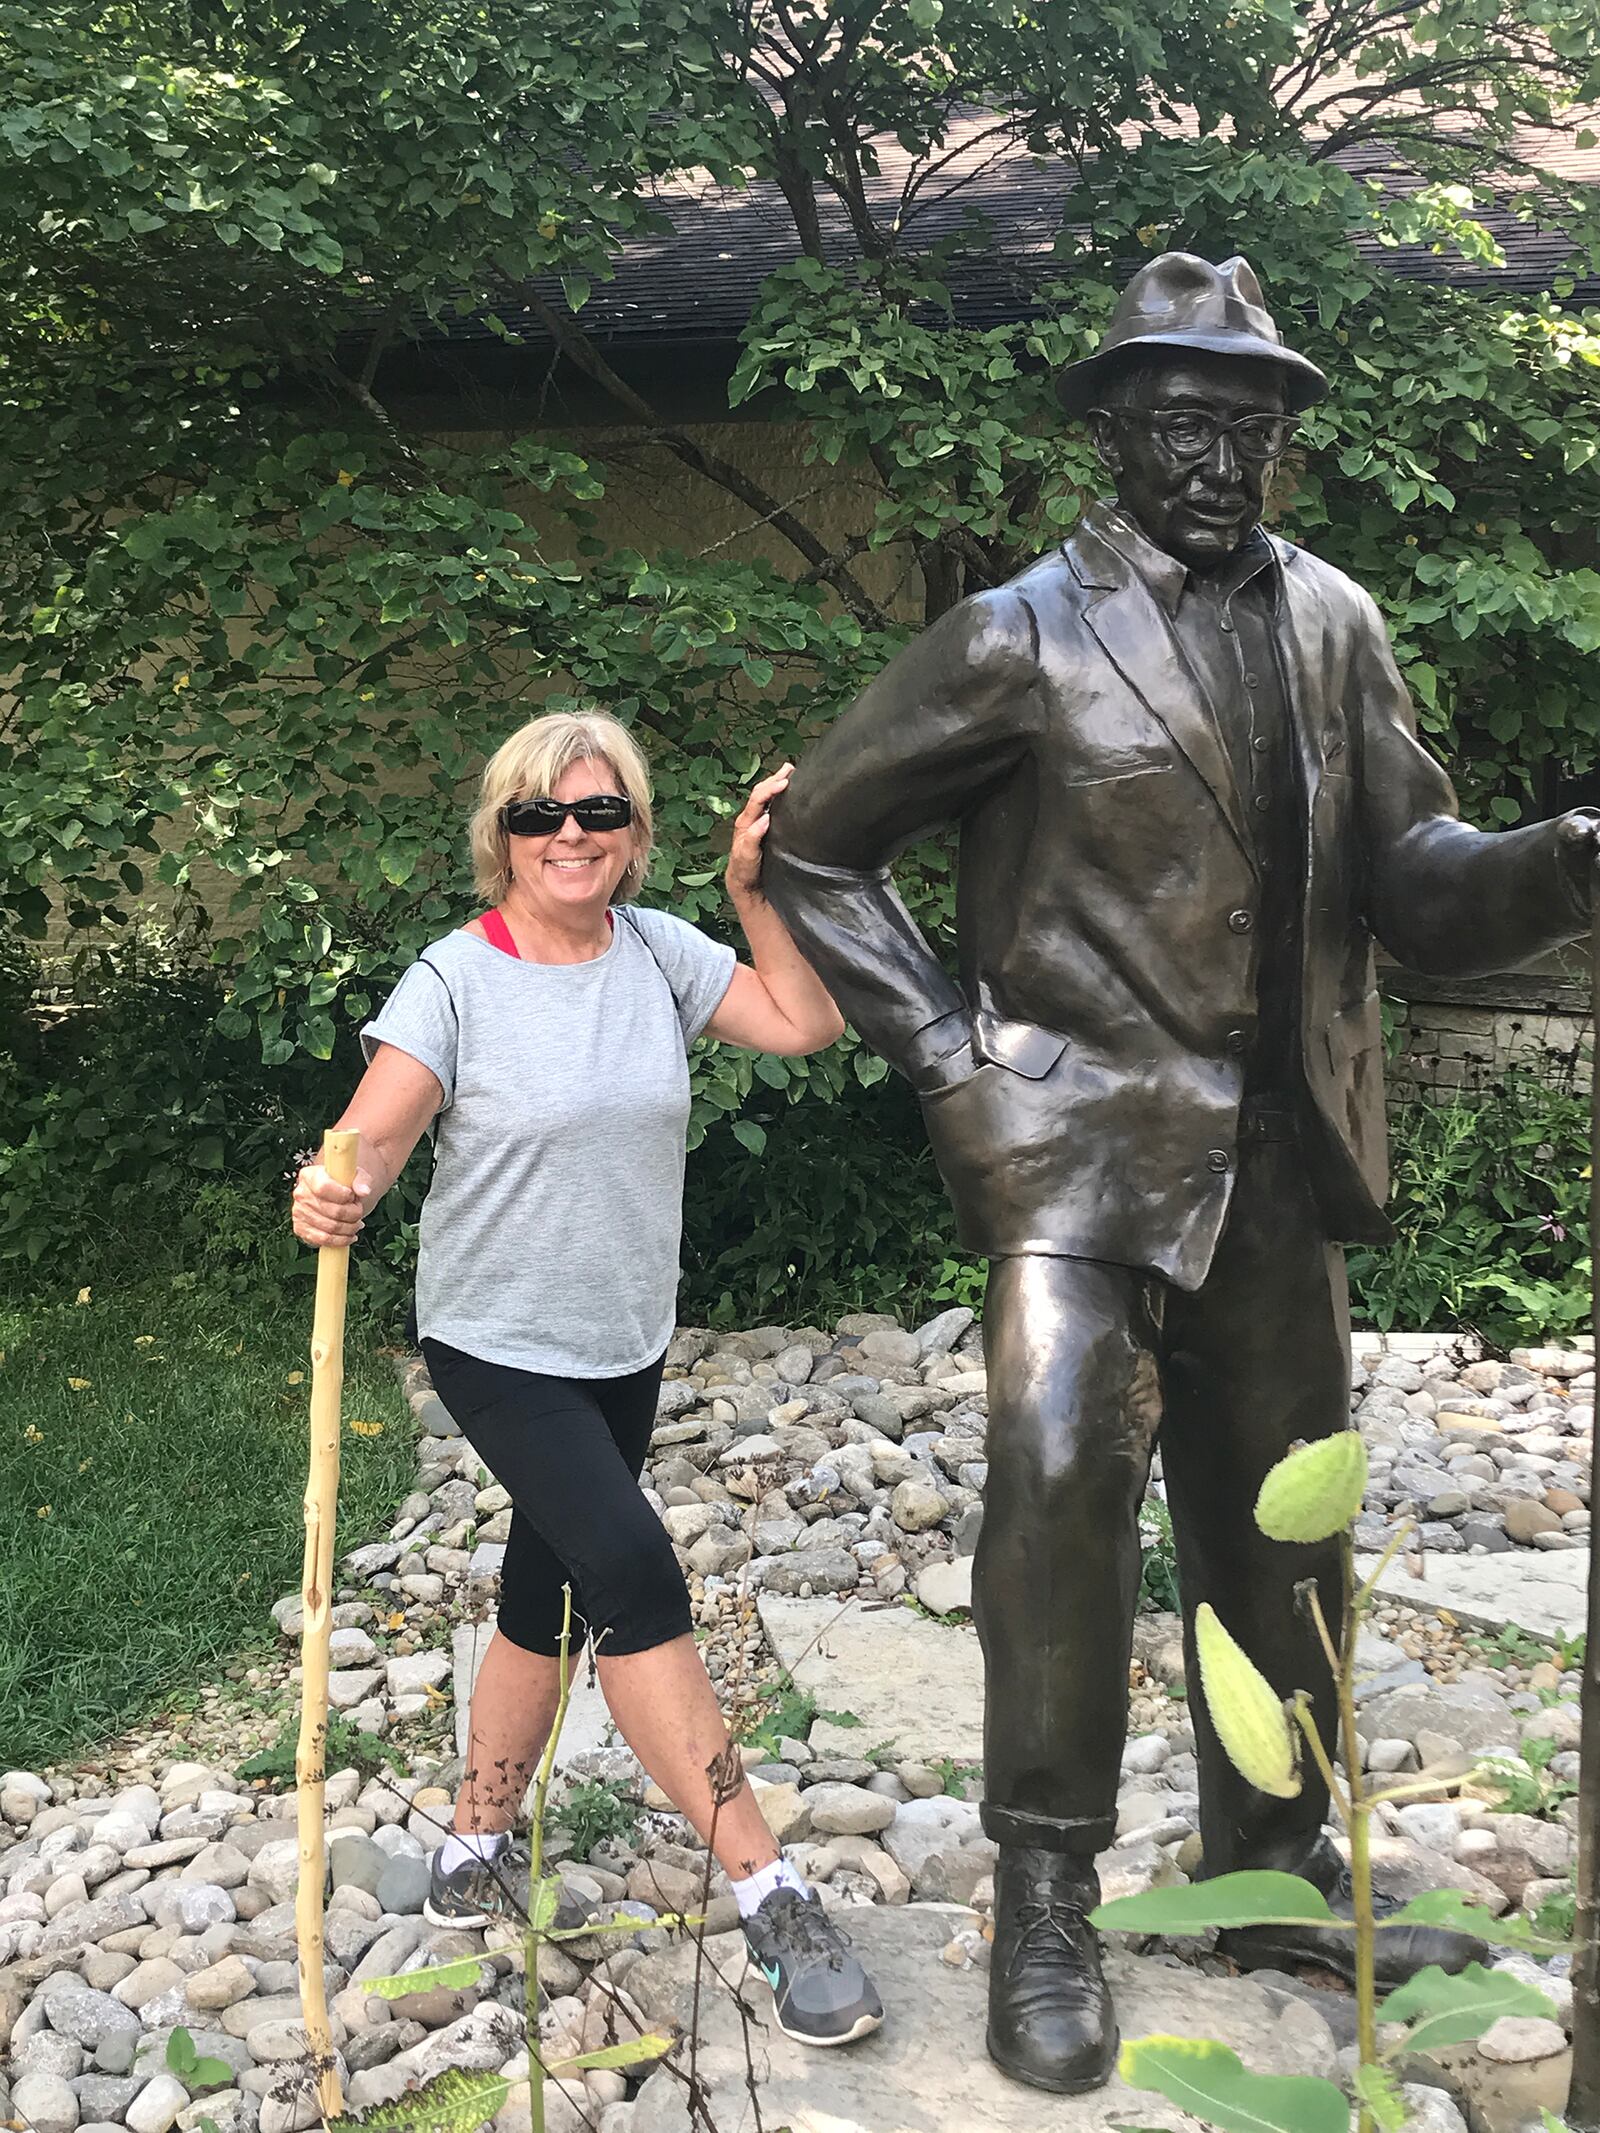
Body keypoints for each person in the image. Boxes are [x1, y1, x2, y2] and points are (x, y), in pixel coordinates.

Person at [763, 252, 1600, 2094]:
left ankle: (1264, 1868)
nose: (1216, 459)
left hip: (1276, 1158)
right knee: (1055, 1470)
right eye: (1180, 424)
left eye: (1248, 427)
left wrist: (1562, 858)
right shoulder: (1016, 633)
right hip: (1071, 1147)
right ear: (1117, 430)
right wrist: (952, 1054)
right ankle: (1048, 1893)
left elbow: (1417, 884)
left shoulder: (1338, 624)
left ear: (1282, 440)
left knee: (1283, 1518)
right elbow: (819, 848)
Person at [291, 708, 883, 2050]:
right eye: (541, 815)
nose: (571, 836)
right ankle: (771, 1888)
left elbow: (800, 1019)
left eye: (599, 814)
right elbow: (372, 1133)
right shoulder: (457, 980)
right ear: (501, 835)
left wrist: (753, 892)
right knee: (632, 1568)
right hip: (497, 1343)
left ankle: (476, 1845)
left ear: (633, 837)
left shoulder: (659, 955)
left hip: (623, 1339)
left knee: (543, 1586)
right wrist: (334, 1194)